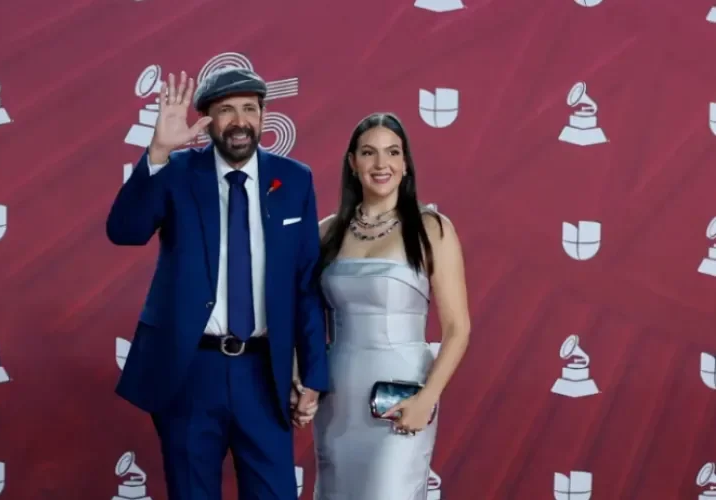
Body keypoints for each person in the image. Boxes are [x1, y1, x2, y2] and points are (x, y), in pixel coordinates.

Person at [106, 68, 328, 500]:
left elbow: (305, 283)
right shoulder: (178, 171)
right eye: (226, 110)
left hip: (263, 373)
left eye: (249, 108)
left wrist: (314, 375)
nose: (240, 120)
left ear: (264, 117)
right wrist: (156, 152)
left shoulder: (294, 180)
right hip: (190, 370)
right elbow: (124, 230)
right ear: (207, 120)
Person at [298, 112, 471, 499]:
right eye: (369, 153)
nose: (382, 164)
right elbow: (304, 321)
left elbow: (458, 329)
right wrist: (302, 379)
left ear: (405, 163)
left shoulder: (432, 229)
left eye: (393, 152)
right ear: (352, 162)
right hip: (337, 398)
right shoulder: (325, 232)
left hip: (403, 396)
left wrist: (427, 398)